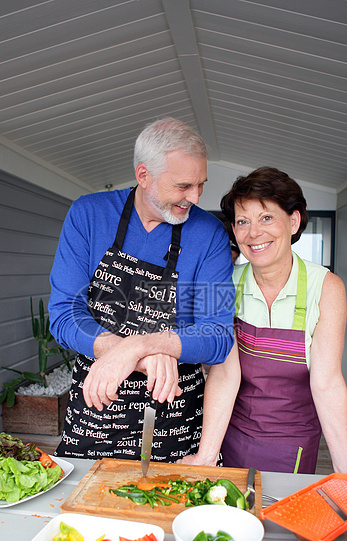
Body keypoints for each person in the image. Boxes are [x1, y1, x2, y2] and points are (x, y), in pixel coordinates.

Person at [49, 117, 235, 461]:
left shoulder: (210, 234)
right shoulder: (88, 215)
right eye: (183, 186)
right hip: (97, 409)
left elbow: (218, 335)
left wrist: (143, 345)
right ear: (143, 174)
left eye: (200, 185)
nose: (194, 198)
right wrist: (126, 352)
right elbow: (64, 314)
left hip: (177, 421)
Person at [181, 166, 347, 476]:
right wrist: (206, 456)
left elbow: (327, 382)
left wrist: (346, 469)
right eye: (243, 222)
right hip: (230, 432)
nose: (254, 233)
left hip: (293, 442)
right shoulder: (223, 283)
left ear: (293, 221)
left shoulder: (327, 287)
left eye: (266, 218)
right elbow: (224, 375)